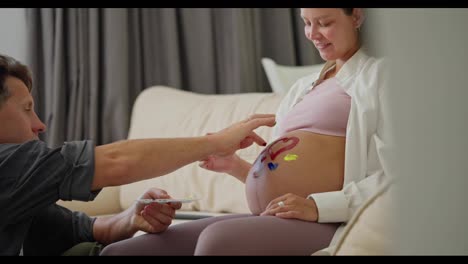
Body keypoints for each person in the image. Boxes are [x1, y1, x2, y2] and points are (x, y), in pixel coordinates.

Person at [100, 8, 389, 256]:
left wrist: (319, 206)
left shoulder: (382, 77)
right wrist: (237, 168)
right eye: (306, 22)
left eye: (324, 22)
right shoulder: (304, 87)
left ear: (357, 16)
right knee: (126, 251)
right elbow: (284, 177)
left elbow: (403, 177)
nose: (313, 33)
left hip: (330, 222)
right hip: (274, 217)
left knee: (216, 242)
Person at [0, 54, 276, 256]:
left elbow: (85, 228)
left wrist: (131, 218)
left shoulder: (24, 191)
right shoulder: (8, 166)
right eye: (26, 109)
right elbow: (116, 162)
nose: (39, 124)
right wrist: (217, 142)